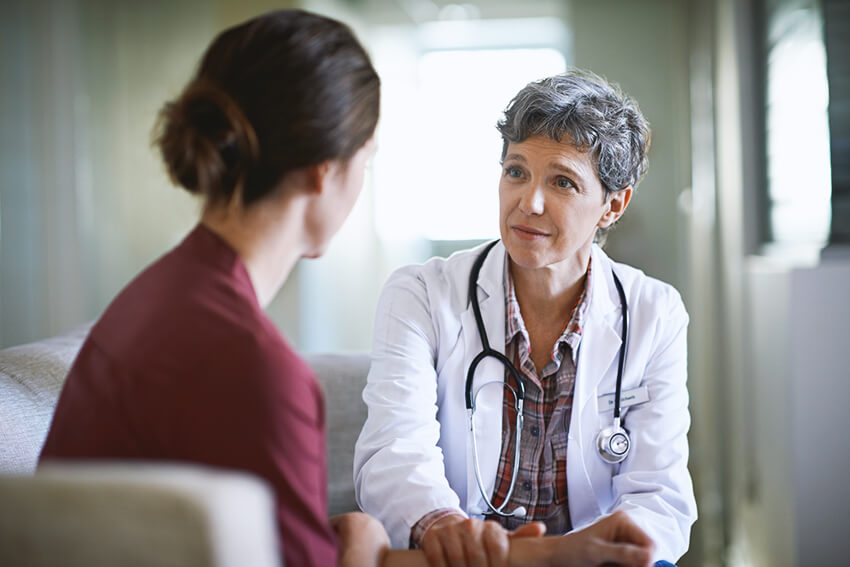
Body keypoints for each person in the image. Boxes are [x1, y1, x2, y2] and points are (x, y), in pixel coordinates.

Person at [38, 11, 654, 567]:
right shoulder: (253, 370)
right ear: (323, 171)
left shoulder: (161, 295)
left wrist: (358, 541)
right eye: (369, 158)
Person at [354, 70, 698, 566]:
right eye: (516, 171)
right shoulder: (421, 295)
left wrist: (619, 549)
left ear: (612, 206)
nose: (528, 202)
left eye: (562, 182)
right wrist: (444, 526)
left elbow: (658, 495)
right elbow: (393, 455)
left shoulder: (654, 313)